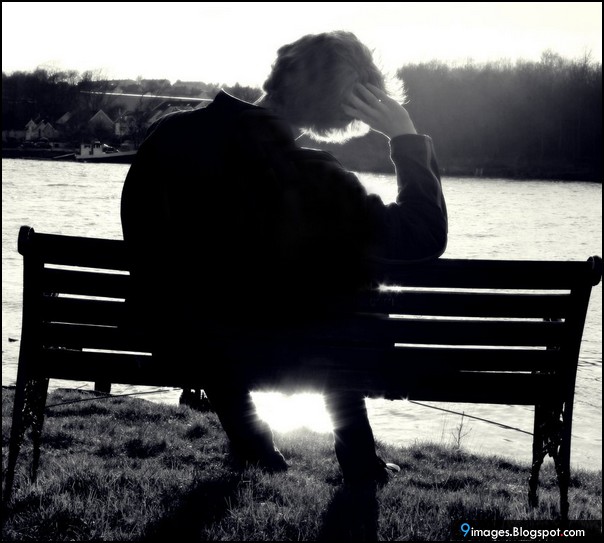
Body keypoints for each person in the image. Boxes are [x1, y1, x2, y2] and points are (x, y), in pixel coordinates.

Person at [120, 30, 447, 485]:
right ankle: (357, 459)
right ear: (342, 114)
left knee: (219, 302)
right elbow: (422, 235)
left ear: (279, 72)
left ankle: (254, 444)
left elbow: (143, 241)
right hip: (283, 350)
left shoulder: (170, 136)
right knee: (336, 296)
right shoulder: (315, 178)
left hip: (173, 342)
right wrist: (405, 137)